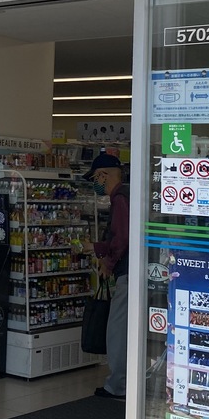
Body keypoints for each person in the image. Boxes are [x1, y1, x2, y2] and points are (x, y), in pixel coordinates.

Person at [87, 152, 129, 399]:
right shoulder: (127, 195)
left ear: (103, 175)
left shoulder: (120, 199)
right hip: (131, 271)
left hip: (127, 273)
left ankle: (117, 385)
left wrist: (109, 263)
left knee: (117, 330)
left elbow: (121, 238)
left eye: (95, 178)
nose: (95, 183)